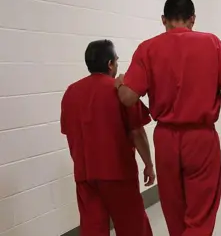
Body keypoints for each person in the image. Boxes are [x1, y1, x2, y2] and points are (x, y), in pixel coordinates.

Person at [115, 0, 221, 236]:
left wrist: (120, 83)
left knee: (174, 209)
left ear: (163, 20)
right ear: (193, 19)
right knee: (200, 212)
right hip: (201, 139)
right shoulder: (211, 43)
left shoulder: (148, 48)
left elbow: (128, 98)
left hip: (166, 140)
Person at [60, 40, 154, 236]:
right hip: (117, 173)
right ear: (110, 64)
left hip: (85, 175)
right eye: (117, 60)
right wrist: (149, 164)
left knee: (93, 228)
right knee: (132, 226)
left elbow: (70, 133)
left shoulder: (71, 93)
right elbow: (137, 132)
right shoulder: (119, 90)